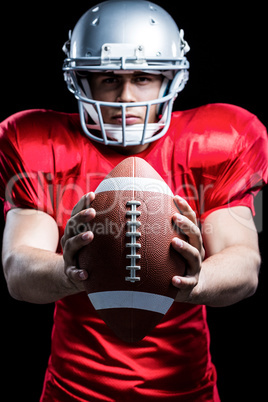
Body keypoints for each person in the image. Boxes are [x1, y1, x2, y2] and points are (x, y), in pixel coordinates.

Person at [0, 1, 267, 401]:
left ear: (171, 79)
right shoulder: (37, 142)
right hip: (74, 391)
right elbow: (18, 269)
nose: (125, 97)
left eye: (143, 77)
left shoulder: (220, 140)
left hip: (185, 390)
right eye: (108, 77)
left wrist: (197, 282)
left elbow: (245, 263)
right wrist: (66, 272)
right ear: (81, 81)